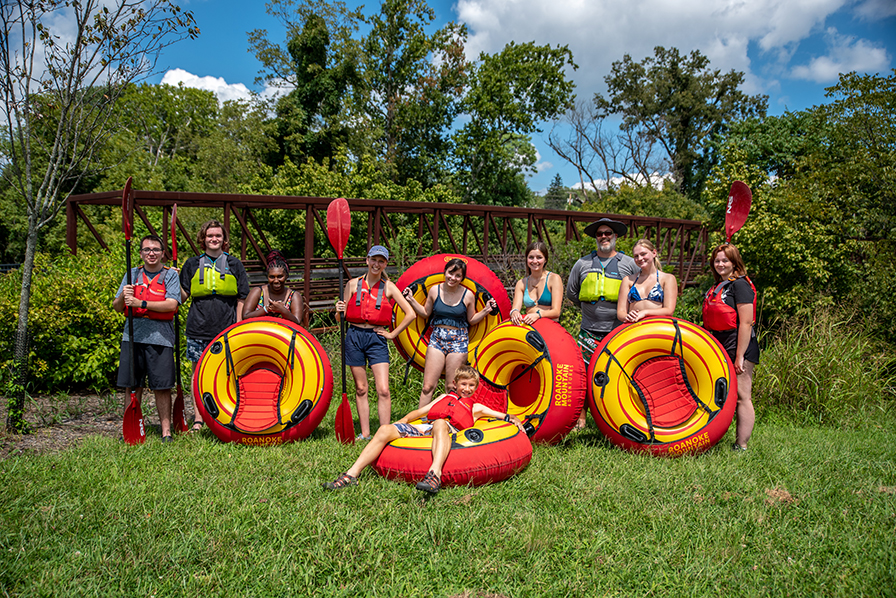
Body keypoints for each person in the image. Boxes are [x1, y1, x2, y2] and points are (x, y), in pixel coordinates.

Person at [322, 365, 525, 495]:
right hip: (425, 429)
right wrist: (398, 424)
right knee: (384, 430)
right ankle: (351, 475)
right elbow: (417, 413)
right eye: (464, 384)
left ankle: (434, 474)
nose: (468, 389)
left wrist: (514, 420)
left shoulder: (476, 408)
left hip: (449, 430)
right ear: (455, 384)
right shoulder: (444, 398)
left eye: (472, 386)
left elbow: (502, 416)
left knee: (439, 424)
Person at [335, 245, 416, 440]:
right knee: (361, 388)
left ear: (385, 264)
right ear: (367, 260)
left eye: (381, 261)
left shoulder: (389, 287)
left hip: (376, 338)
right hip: (354, 336)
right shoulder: (352, 284)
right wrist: (338, 310)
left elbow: (410, 314)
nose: (376, 264)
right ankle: (365, 433)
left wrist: (392, 334)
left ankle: (384, 433)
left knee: (383, 389)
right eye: (374, 260)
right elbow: (340, 319)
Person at [179, 220, 250, 432]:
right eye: (210, 235)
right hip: (198, 328)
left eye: (218, 235)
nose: (214, 239)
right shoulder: (191, 264)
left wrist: (237, 326)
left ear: (224, 239)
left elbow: (242, 297)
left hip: (226, 330)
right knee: (197, 374)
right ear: (203, 238)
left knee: (228, 372)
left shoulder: (235, 264)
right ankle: (199, 419)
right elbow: (182, 297)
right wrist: (173, 279)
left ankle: (226, 415)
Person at [567, 218, 638, 429]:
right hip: (589, 329)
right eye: (600, 234)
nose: (604, 237)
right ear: (595, 238)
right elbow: (572, 292)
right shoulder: (582, 263)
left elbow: (639, 290)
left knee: (617, 373)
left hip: (618, 331)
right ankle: (581, 417)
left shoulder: (629, 263)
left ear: (615, 236)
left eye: (608, 233)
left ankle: (613, 417)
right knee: (584, 374)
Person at [113, 234, 182, 442]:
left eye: (155, 250)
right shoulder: (131, 274)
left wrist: (140, 303)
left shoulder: (170, 275)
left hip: (161, 338)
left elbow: (172, 304)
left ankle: (166, 432)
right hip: (132, 337)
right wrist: (122, 297)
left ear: (162, 253)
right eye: (146, 250)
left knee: (162, 386)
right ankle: (131, 428)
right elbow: (117, 307)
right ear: (141, 253)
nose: (151, 253)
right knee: (132, 385)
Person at [403, 258, 498, 408]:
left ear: (462, 278)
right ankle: (418, 423)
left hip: (458, 341)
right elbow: (425, 313)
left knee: (451, 387)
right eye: (450, 273)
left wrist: (486, 310)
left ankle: (449, 422)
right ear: (445, 272)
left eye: (458, 275)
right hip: (437, 339)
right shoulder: (435, 290)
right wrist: (411, 300)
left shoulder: (468, 295)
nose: (453, 278)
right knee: (427, 386)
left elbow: (472, 320)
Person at [703, 244, 760, 452]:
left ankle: (741, 444)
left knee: (742, 395)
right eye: (717, 261)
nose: (720, 264)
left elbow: (746, 322)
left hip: (739, 346)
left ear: (735, 262)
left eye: (725, 260)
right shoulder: (718, 285)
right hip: (721, 345)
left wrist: (740, 356)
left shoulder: (740, 285)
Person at [616, 239, 678, 323]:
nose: (640, 258)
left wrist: (645, 313)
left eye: (643, 254)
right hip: (634, 326)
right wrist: (628, 316)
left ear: (654, 253)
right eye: (636, 256)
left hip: (657, 326)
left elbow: (669, 310)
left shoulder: (667, 279)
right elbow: (620, 312)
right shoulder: (628, 280)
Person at [510, 241, 565, 325]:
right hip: (531, 328)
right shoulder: (521, 283)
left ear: (545, 259)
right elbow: (515, 308)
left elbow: (556, 311)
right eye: (531, 257)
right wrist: (514, 313)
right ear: (527, 259)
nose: (535, 261)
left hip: (551, 327)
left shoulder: (554, 279)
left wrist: (538, 315)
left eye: (539, 257)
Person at [243, 250, 303, 325]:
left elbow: (297, 322)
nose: (276, 281)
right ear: (267, 277)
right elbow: (245, 316)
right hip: (257, 335)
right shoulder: (258, 292)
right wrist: (266, 309)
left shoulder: (294, 296)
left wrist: (282, 310)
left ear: (286, 276)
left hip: (283, 336)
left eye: (280, 276)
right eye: (272, 277)